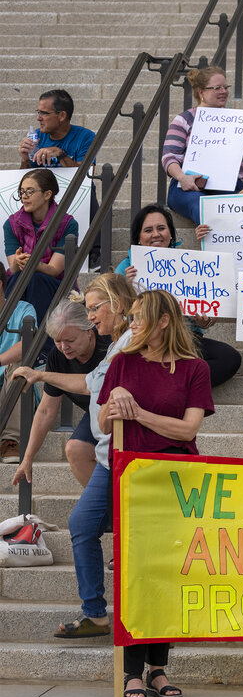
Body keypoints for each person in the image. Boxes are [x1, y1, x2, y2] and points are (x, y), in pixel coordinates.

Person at [97, 289, 213, 697]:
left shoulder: (195, 368)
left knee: (167, 573)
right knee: (136, 573)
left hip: (175, 480)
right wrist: (114, 400)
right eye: (130, 317)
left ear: (164, 321)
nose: (131, 324)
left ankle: (158, 668)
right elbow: (103, 425)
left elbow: (187, 430)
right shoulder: (121, 363)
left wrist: (140, 413)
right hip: (132, 480)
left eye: (139, 317)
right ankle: (131, 671)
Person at [52, 273, 136, 642]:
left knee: (87, 524)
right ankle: (95, 614)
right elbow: (90, 385)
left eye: (94, 308)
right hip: (107, 456)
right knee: (82, 524)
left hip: (129, 454)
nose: (90, 317)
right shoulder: (117, 344)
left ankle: (136, 619)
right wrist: (40, 375)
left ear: (117, 303)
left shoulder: (135, 340)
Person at [115, 204, 241, 386]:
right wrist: (126, 288)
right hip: (146, 341)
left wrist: (205, 321)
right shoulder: (127, 268)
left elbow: (209, 312)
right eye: (148, 230)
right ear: (139, 238)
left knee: (229, 358)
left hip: (184, 339)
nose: (156, 234)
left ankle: (172, 383)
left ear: (170, 233)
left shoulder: (189, 263)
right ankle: (177, 382)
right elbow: (115, 315)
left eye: (161, 228)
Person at [11, 299, 109, 486]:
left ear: (89, 331)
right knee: (75, 449)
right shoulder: (58, 357)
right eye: (57, 341)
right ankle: (106, 501)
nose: (64, 347)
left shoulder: (108, 344)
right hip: (95, 411)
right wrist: (27, 459)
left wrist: (41, 375)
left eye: (70, 340)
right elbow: (46, 411)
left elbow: (92, 384)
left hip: (122, 409)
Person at [161, 66, 243, 224]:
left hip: (230, 186)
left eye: (225, 87)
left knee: (234, 210)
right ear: (201, 92)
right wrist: (182, 178)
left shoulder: (240, 123)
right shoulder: (184, 120)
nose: (224, 91)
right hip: (188, 186)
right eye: (217, 88)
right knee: (202, 206)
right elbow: (169, 157)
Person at [4, 168, 72, 326]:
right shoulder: (11, 223)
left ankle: (36, 337)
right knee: (17, 278)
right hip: (20, 280)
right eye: (22, 192)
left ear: (47, 194)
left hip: (54, 284)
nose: (24, 197)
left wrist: (33, 264)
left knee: (35, 279)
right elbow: (13, 269)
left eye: (30, 191)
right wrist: (19, 261)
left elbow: (54, 270)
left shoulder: (67, 224)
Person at [0, 270, 37, 463]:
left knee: (19, 367)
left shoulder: (23, 308)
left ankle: (11, 441)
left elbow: (27, 344)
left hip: (10, 385)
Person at [19, 88, 95, 169]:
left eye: (44, 113)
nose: (38, 118)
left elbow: (86, 174)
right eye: (38, 112)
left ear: (62, 116)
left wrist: (60, 154)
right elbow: (25, 176)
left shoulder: (85, 137)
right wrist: (25, 159)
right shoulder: (36, 137)